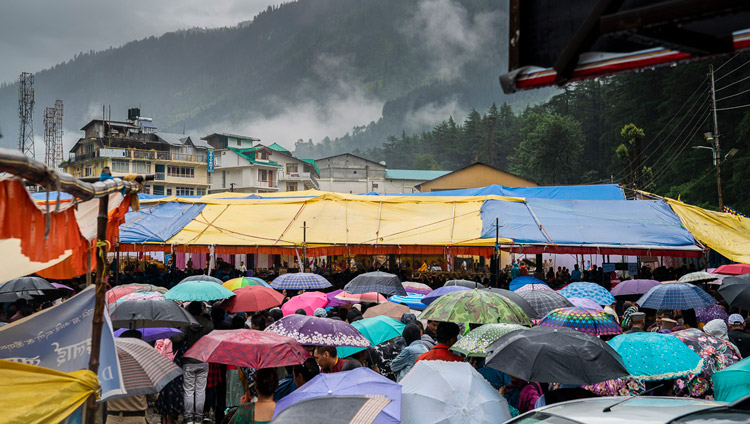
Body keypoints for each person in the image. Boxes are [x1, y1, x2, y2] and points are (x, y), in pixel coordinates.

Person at [171, 301, 214, 424]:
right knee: (201, 390)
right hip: (203, 360)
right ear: (201, 310)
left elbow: (178, 338)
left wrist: (171, 331)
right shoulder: (209, 325)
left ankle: (189, 417)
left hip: (189, 361)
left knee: (189, 390)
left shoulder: (187, 324)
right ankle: (199, 416)